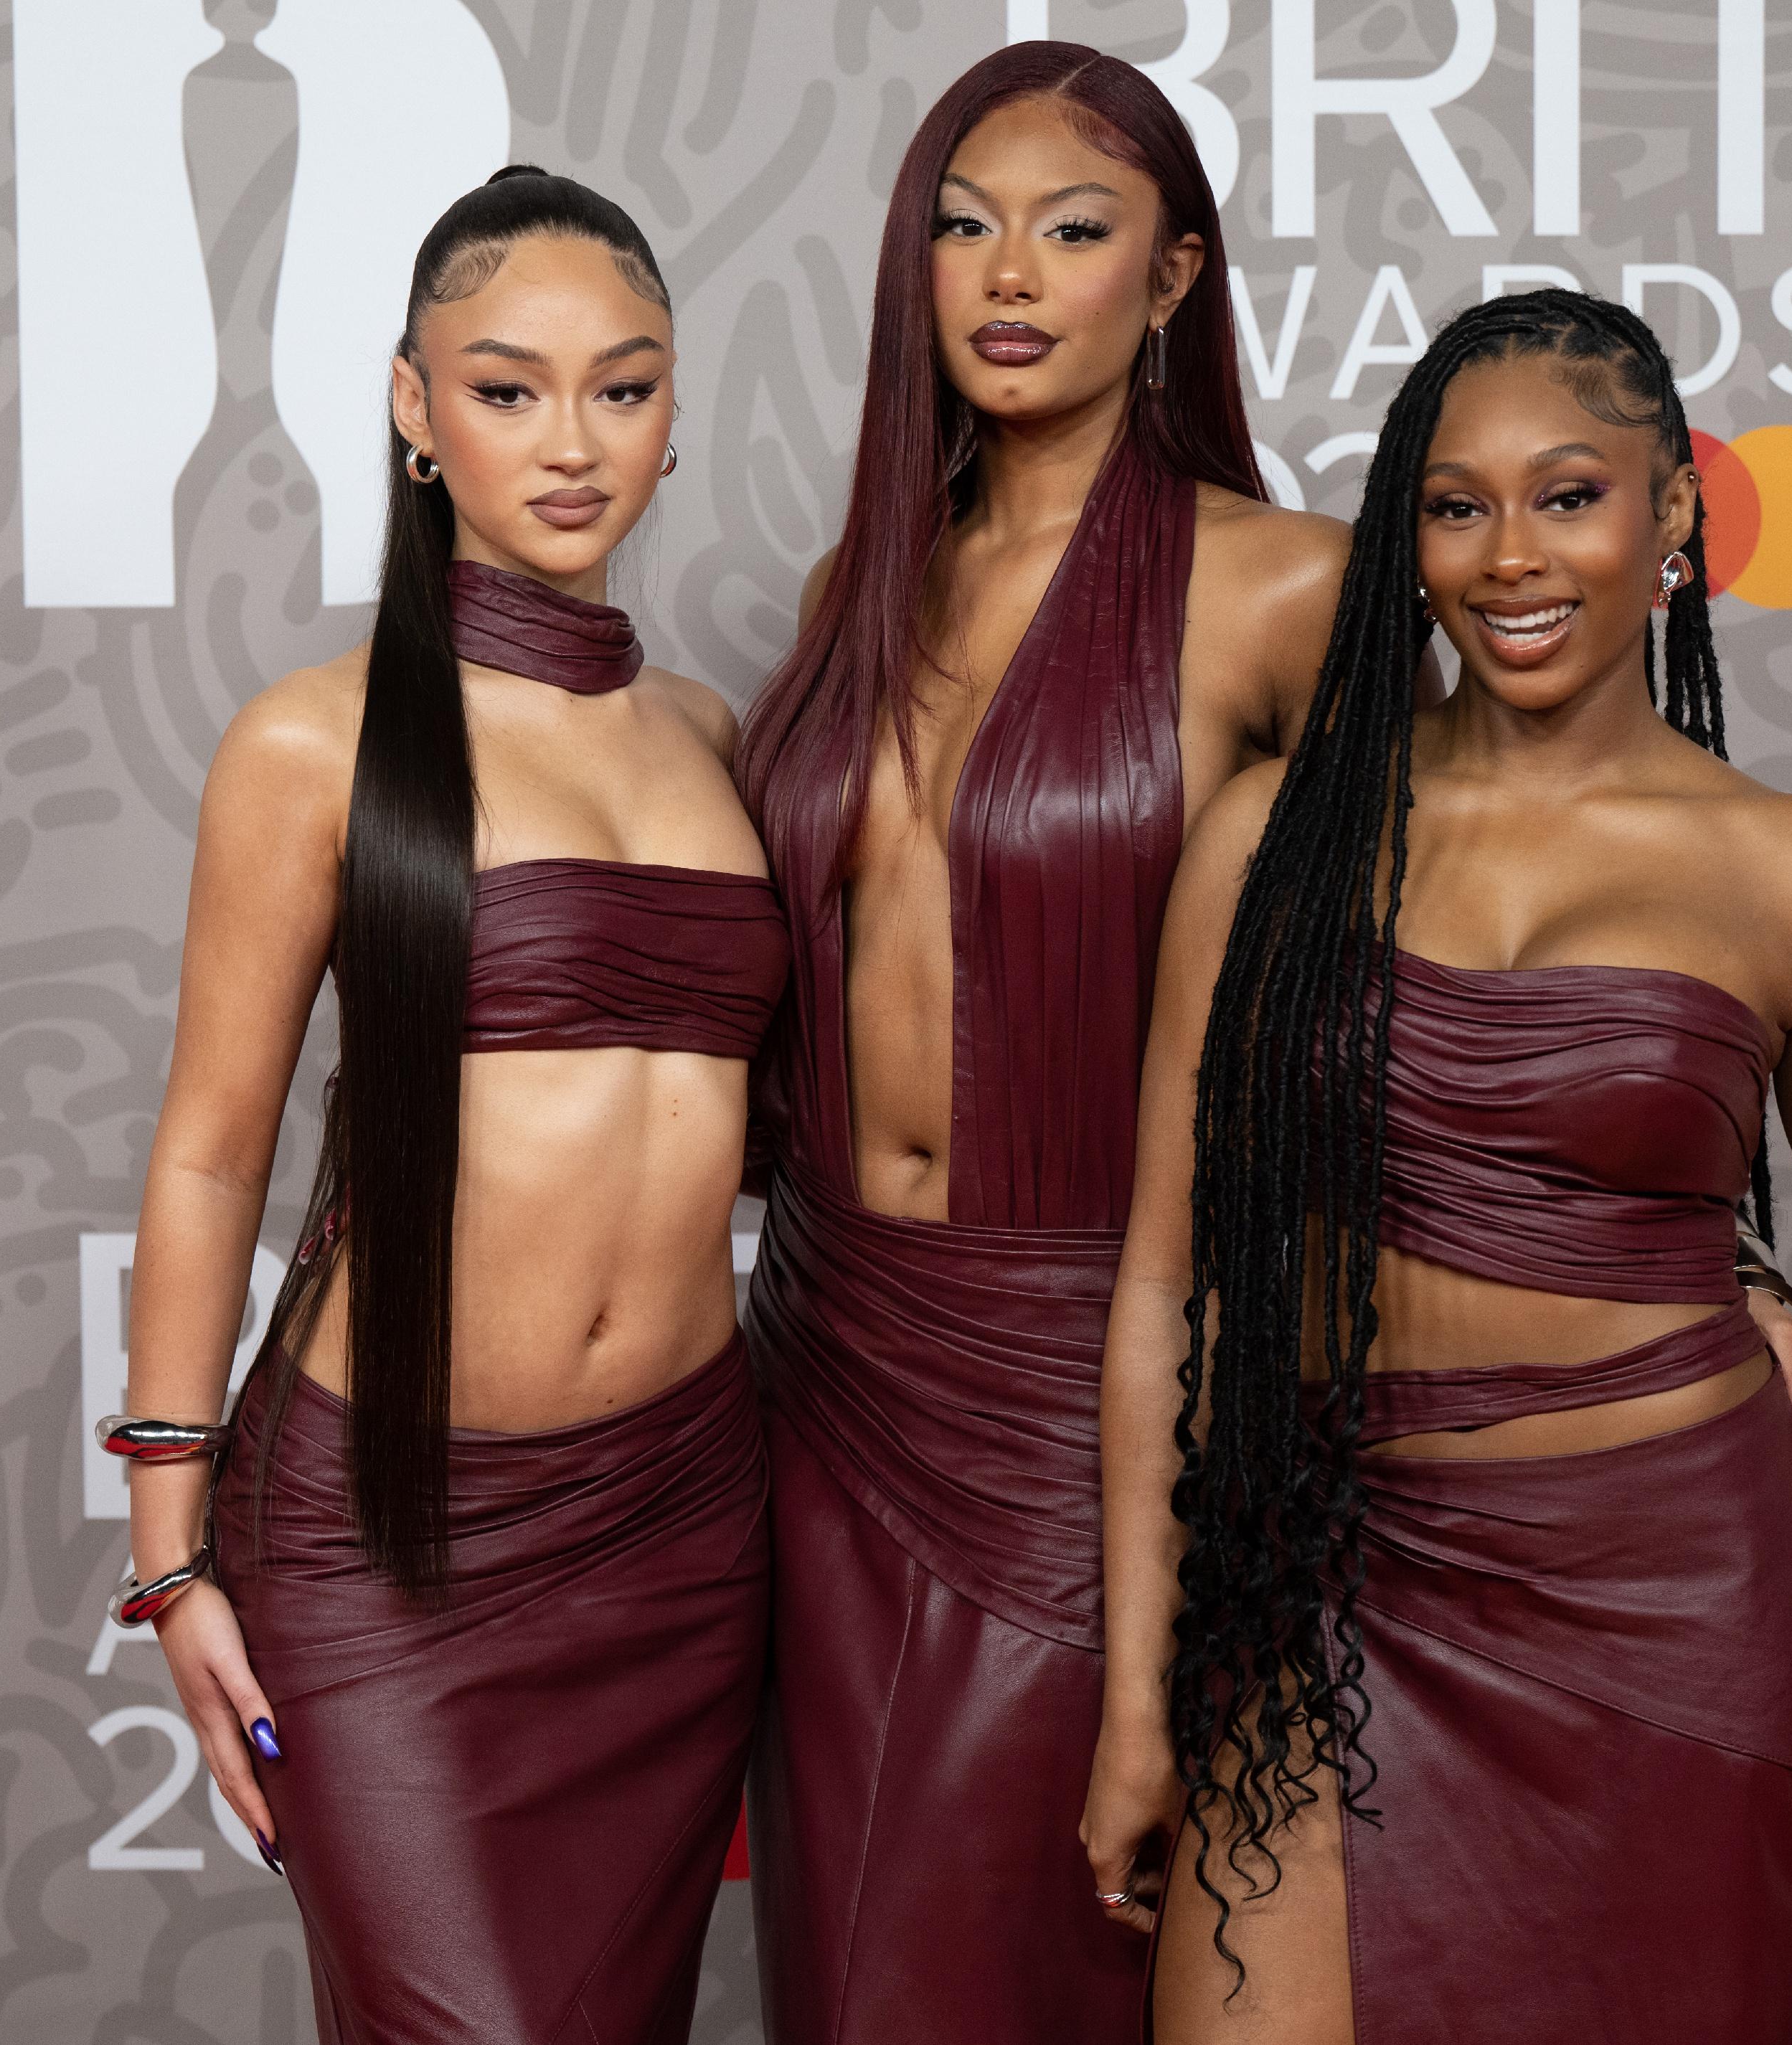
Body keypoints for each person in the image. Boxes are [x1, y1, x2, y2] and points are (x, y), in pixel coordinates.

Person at [1084, 288, 1792, 2042]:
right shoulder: (1265, 840)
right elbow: (1171, 1284)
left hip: (1683, 1606)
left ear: (1674, 509)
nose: (1510, 555)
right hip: (1319, 1578)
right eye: (1455, 506)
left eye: (1569, 494)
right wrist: (1140, 1698)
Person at [108, 167, 783, 2044]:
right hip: (393, 1537)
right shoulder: (313, 742)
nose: (570, 442)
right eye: (506, 388)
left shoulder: (718, 738)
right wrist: (171, 1557)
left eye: (621, 387)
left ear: (671, 409)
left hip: (674, 1523)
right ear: (414, 408)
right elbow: (209, 1148)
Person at [727, 40, 1355, 2044]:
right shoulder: (852, 589)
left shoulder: (1284, 593)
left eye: (1073, 232)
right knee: (851, 1979)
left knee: (1059, 1960)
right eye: (962, 227)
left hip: (1114, 1396)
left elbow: (1467, 980)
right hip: (825, 1385)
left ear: (1170, 280)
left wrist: (1734, 1270)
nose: (1007, 274)